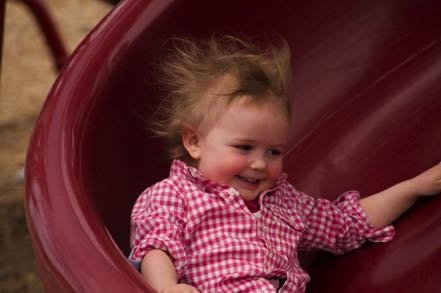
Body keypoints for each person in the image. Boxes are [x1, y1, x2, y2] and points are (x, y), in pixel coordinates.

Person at [129, 35, 441, 293]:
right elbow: (157, 246)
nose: (260, 164)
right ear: (194, 142)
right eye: (244, 147)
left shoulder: (285, 203)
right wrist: (167, 287)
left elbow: (346, 223)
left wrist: (414, 188)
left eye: (274, 152)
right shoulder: (175, 195)